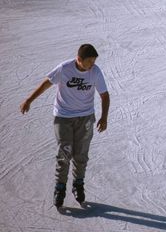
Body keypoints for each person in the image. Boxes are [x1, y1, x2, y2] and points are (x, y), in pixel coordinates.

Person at [19, 44, 110, 208]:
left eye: (94, 60)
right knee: (64, 153)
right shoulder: (64, 68)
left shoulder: (95, 71)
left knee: (81, 154)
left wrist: (104, 117)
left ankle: (78, 184)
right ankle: (60, 188)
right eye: (89, 61)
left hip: (85, 118)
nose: (93, 64)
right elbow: (47, 83)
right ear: (79, 59)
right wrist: (29, 100)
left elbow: (104, 95)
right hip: (63, 117)